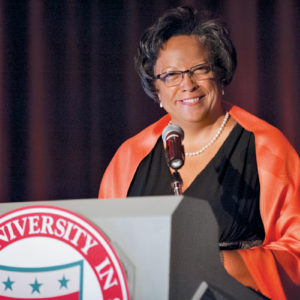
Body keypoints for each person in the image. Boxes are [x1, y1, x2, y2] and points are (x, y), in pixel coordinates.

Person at [99, 6, 300, 300]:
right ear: (155, 87)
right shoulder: (129, 158)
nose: (187, 84)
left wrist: (215, 263)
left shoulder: (266, 147)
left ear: (220, 72)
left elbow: (296, 252)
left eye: (199, 70)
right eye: (170, 75)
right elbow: (103, 250)